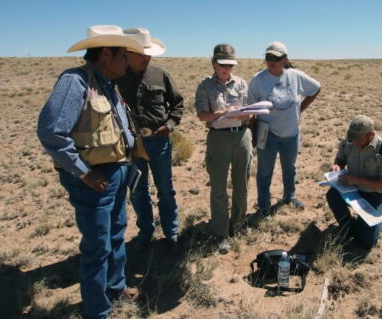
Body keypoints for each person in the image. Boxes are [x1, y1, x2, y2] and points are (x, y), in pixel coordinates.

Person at [37, 25, 144, 319]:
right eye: (123, 54)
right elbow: (51, 133)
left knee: (116, 235)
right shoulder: (75, 82)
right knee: (97, 247)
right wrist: (83, 172)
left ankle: (115, 287)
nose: (127, 60)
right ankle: (97, 311)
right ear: (106, 53)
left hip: (117, 173)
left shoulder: (109, 84)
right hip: (93, 181)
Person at [116, 28, 183, 251]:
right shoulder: (115, 78)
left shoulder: (159, 74)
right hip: (130, 145)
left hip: (159, 141)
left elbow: (178, 104)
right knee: (137, 190)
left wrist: (170, 125)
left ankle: (171, 232)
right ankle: (145, 233)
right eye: (141, 54)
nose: (147, 57)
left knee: (165, 189)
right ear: (127, 54)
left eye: (148, 53)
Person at [248, 41, 321, 219]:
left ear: (285, 59)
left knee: (290, 167)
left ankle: (290, 196)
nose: (271, 61)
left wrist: (300, 109)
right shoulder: (258, 80)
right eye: (268, 57)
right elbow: (250, 110)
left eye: (276, 58)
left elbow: (316, 89)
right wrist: (253, 136)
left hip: (291, 132)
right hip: (267, 133)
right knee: (265, 170)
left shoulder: (295, 76)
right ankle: (264, 206)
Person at [194, 44, 252, 254]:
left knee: (241, 183)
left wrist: (243, 114)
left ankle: (238, 224)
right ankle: (220, 232)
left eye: (230, 65)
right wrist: (222, 113)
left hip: (241, 136)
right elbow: (202, 115)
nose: (226, 69)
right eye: (222, 65)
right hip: (218, 139)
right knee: (219, 188)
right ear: (214, 64)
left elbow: (251, 113)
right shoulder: (205, 86)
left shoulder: (242, 83)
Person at [326, 115, 382, 250]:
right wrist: (337, 167)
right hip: (351, 189)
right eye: (351, 138)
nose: (354, 142)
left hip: (373, 193)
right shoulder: (349, 142)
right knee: (332, 196)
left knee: (366, 244)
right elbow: (340, 160)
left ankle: (365, 225)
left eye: (357, 139)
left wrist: (357, 180)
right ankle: (348, 226)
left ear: (370, 134)